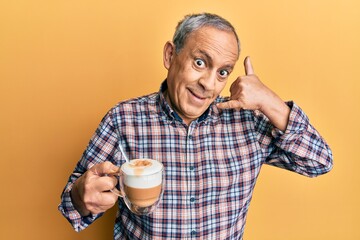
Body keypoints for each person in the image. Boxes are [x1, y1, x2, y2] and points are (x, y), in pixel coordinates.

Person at [59, 13, 333, 239]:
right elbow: (71, 206)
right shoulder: (124, 120)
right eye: (200, 62)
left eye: (223, 72)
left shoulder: (249, 123)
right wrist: (82, 197)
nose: (209, 83)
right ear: (170, 55)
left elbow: (319, 162)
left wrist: (270, 102)